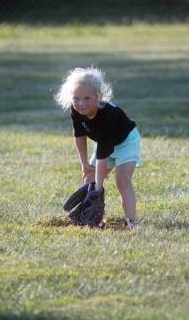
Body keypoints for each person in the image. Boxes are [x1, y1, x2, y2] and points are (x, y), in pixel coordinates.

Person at [55, 67, 142, 229]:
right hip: (105, 144)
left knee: (122, 180)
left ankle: (132, 222)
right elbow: (79, 136)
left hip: (126, 142)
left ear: (98, 96)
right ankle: (95, 220)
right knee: (89, 179)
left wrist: (99, 188)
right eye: (76, 98)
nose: (81, 103)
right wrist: (84, 164)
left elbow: (103, 153)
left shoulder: (107, 115)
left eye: (87, 98)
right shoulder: (77, 110)